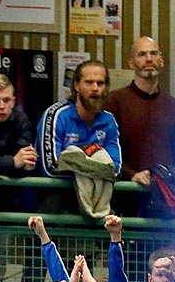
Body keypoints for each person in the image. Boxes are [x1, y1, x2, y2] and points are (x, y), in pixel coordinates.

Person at [105, 36, 175, 216]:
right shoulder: (115, 101)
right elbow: (105, 152)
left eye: (153, 53)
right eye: (142, 54)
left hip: (165, 209)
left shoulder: (174, 107)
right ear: (131, 63)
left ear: (161, 61)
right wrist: (132, 176)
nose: (148, 59)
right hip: (126, 202)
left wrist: (171, 182)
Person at [38, 58, 123, 218]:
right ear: (76, 85)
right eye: (89, 82)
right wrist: (95, 168)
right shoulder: (56, 115)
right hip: (56, 209)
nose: (95, 88)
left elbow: (115, 169)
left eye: (100, 83)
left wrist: (75, 163)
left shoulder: (109, 121)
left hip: (97, 210)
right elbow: (49, 168)